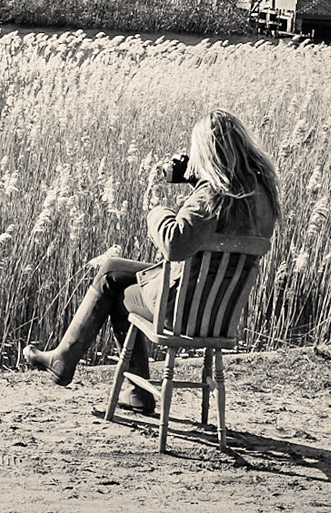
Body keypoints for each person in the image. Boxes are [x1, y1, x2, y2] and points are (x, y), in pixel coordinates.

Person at [20, 109, 279, 414]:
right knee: (113, 271)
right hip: (219, 311)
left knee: (119, 294)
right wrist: (195, 179)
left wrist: (157, 211)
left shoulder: (211, 196)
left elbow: (174, 243)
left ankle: (125, 387)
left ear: (208, 154)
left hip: (182, 305)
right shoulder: (262, 193)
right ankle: (69, 360)